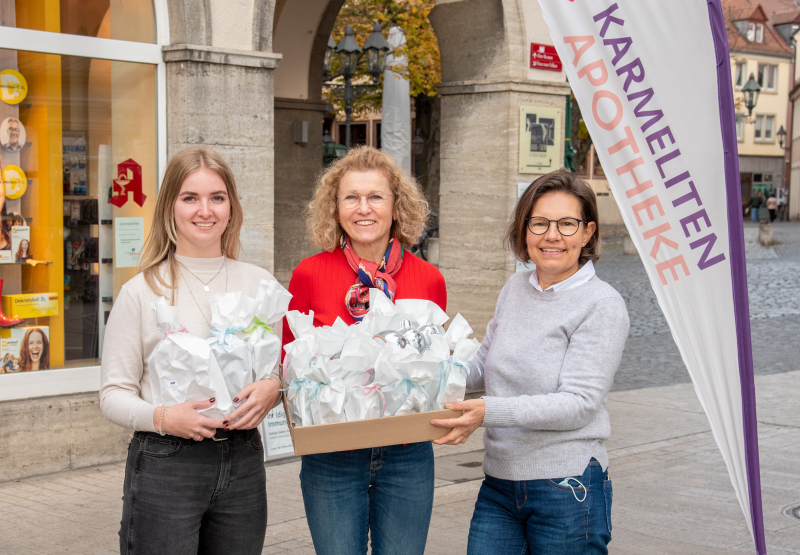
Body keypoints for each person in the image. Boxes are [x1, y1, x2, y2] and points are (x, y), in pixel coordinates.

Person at [431, 169, 629, 554]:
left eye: (567, 224)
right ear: (524, 230)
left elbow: (578, 404)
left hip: (567, 485)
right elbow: (482, 366)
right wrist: (423, 370)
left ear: (587, 233)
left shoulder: (602, 305)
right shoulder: (515, 288)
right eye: (539, 223)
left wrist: (487, 412)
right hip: (500, 484)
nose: (551, 235)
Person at [100, 147, 281, 555]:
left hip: (244, 461)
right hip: (168, 463)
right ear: (170, 207)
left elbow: (274, 367)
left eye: (217, 198)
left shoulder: (259, 283)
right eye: (190, 198)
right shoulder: (141, 291)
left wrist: (274, 385)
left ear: (231, 208)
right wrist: (163, 417)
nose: (205, 210)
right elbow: (112, 395)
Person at [284, 145, 446, 555]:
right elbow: (288, 365)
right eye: (351, 197)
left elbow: (438, 368)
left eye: (376, 196)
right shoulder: (308, 274)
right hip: (332, 456)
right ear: (335, 208)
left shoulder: (429, 280)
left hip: (407, 455)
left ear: (397, 206)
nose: (364, 208)